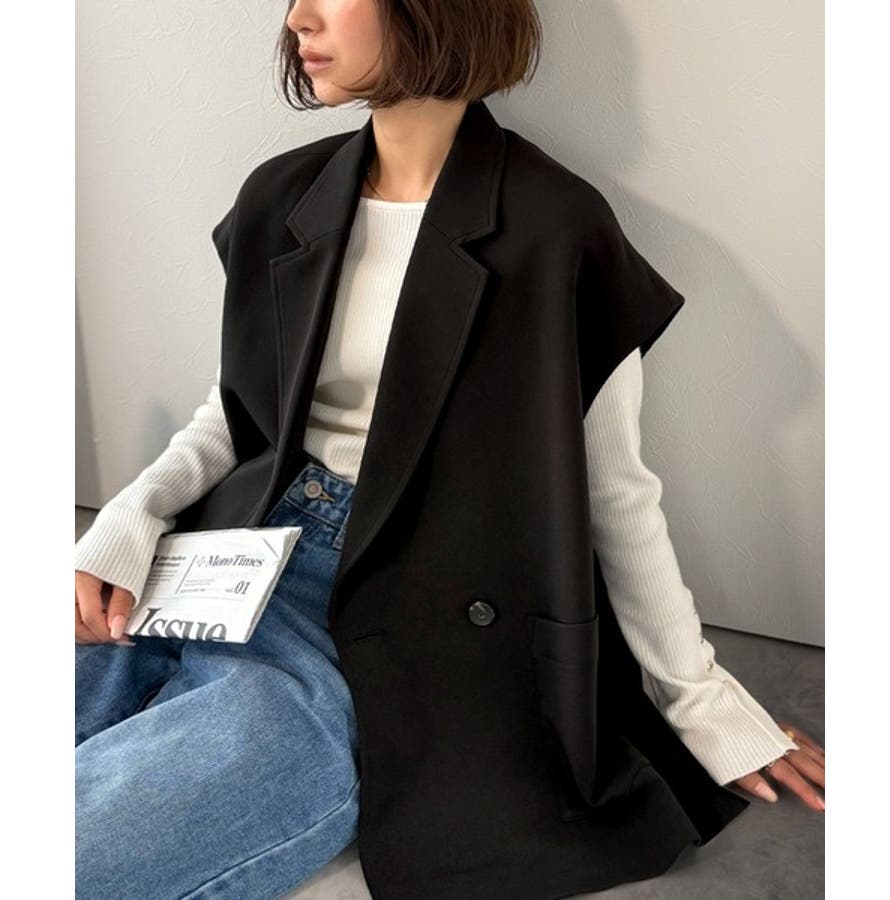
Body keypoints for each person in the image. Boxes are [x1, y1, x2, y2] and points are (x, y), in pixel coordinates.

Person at [75, 2, 825, 898]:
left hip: (401, 607)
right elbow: (237, 412)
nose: (298, 18)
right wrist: (129, 517)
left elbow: (615, 492)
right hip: (232, 549)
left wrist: (700, 702)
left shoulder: (553, 229)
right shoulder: (282, 196)